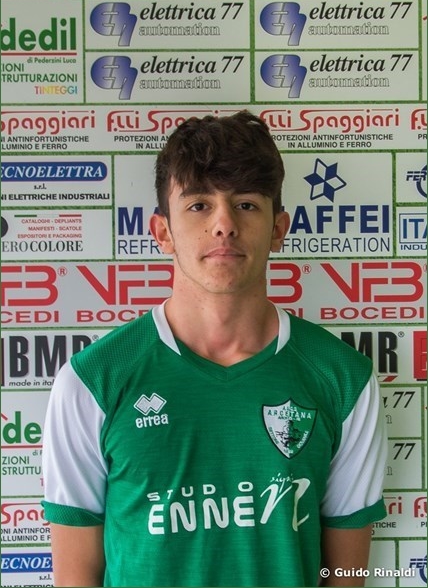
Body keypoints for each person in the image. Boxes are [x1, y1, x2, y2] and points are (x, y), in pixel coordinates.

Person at [42, 110, 387, 588]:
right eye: (199, 205)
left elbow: (346, 575)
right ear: (162, 231)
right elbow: (76, 576)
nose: (224, 224)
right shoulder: (92, 381)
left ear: (278, 228)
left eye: (246, 204)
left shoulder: (344, 378)